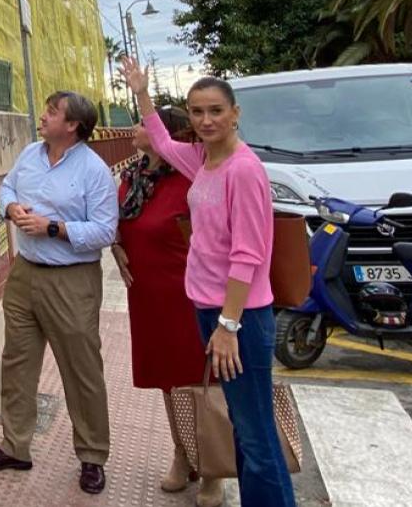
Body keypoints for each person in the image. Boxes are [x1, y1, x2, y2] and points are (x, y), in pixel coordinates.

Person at [120, 55, 295, 507]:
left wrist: (228, 326)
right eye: (197, 111)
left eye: (216, 110)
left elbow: (248, 256)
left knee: (256, 433)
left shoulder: (244, 170)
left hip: (240, 318)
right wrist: (141, 92)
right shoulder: (202, 161)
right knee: (240, 421)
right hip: (208, 310)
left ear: (235, 113)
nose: (205, 120)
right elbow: (159, 137)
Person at [0, 91, 119, 495]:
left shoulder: (93, 170)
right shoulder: (31, 154)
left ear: (72, 126)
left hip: (71, 280)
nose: (43, 116)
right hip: (25, 276)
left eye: (52, 112)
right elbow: (7, 187)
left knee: (81, 369)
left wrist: (54, 228)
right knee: (17, 362)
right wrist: (11, 209)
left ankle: (92, 455)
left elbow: (107, 230)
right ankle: (15, 445)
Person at [111, 107, 219, 505]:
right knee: (167, 380)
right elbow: (118, 223)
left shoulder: (190, 178)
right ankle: (181, 452)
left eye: (142, 123)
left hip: (186, 293)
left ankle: (212, 466)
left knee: (197, 380)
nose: (135, 129)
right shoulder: (133, 178)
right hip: (146, 294)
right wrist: (116, 244)